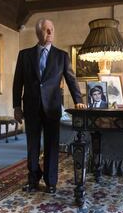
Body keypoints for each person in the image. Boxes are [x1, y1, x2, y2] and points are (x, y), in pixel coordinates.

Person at [12, 18, 86, 194]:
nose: (50, 33)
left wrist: (78, 100)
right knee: (33, 145)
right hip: (31, 107)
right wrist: (16, 106)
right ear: (38, 33)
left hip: (52, 108)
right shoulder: (24, 55)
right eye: (46, 30)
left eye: (52, 29)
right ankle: (33, 179)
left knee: (52, 145)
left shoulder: (61, 56)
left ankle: (51, 181)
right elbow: (17, 82)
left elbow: (71, 79)